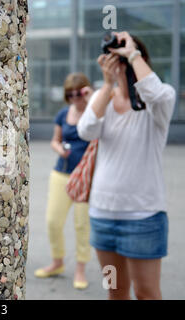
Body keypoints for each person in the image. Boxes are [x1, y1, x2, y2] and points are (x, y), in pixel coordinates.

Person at [77, 31, 176, 300]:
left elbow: (158, 95)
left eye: (122, 59)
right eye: (114, 58)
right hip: (102, 218)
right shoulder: (104, 98)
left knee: (146, 294)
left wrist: (132, 54)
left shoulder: (157, 102)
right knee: (115, 290)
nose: (118, 64)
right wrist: (108, 85)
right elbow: (85, 130)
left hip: (143, 219)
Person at [34, 73, 94, 290]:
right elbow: (55, 140)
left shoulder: (94, 113)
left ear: (86, 91)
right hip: (61, 173)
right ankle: (57, 262)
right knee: (53, 221)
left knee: (81, 224)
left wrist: (93, 99)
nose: (75, 97)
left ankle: (80, 269)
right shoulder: (62, 114)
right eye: (70, 94)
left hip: (85, 176)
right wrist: (59, 149)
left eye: (79, 93)